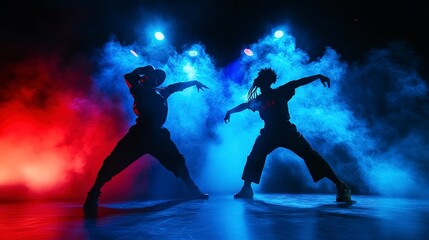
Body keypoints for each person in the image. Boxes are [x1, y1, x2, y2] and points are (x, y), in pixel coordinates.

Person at [83, 65, 209, 216]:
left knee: (177, 160)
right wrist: (142, 71)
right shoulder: (139, 88)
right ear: (146, 78)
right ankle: (94, 193)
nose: (155, 79)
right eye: (152, 76)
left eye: (157, 77)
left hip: (158, 134)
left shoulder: (163, 91)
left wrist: (194, 81)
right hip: (141, 133)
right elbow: (128, 76)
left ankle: (191, 189)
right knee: (113, 161)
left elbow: (177, 86)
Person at [224, 67, 352, 202]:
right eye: (258, 76)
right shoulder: (259, 100)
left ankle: (341, 185)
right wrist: (230, 112)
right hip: (268, 133)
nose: (258, 79)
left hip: (286, 131)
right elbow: (245, 105)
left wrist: (318, 75)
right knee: (254, 156)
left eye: (261, 77)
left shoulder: (281, 91)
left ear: (268, 81)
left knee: (311, 156)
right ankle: (247, 189)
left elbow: (299, 82)